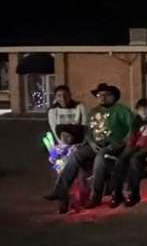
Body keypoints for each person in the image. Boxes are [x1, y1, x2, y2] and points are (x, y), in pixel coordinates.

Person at [52, 83, 135, 212]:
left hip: (114, 145)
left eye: (105, 95)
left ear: (113, 96)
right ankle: (60, 190)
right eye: (99, 95)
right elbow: (88, 131)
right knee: (75, 156)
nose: (101, 97)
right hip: (94, 144)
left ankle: (95, 196)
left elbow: (133, 130)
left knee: (100, 159)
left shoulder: (122, 110)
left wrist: (122, 142)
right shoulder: (94, 111)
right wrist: (90, 142)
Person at [110, 98, 147, 208]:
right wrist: (127, 151)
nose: (143, 112)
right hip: (137, 146)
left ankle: (133, 194)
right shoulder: (136, 121)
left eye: (146, 109)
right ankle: (116, 192)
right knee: (120, 161)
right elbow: (132, 138)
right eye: (140, 109)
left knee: (134, 160)